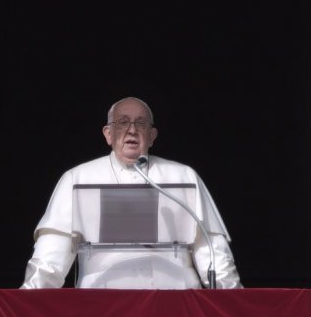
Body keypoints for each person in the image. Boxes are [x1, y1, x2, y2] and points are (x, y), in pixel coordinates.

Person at [21, 96, 242, 289]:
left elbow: (212, 254)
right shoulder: (77, 179)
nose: (132, 130)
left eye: (141, 123)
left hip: (176, 307)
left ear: (153, 135)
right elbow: (51, 261)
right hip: (104, 308)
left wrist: (235, 306)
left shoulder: (184, 177)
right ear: (108, 133)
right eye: (123, 122)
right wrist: (23, 305)